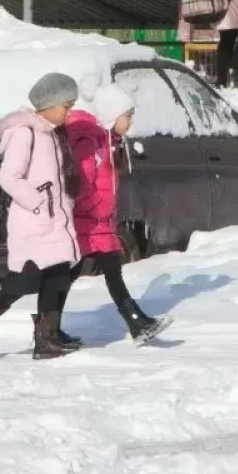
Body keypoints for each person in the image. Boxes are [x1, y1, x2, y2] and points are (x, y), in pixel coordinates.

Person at [0, 72, 84, 360]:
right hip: (34, 222)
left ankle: (47, 338)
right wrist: (40, 204)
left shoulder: (50, 135)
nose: (70, 111)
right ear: (49, 103)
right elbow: (10, 178)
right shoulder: (24, 133)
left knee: (57, 276)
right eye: (66, 105)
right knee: (24, 280)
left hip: (54, 221)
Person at [59, 84, 171, 345]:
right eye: (127, 116)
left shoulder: (108, 141)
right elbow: (83, 182)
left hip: (99, 222)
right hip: (88, 220)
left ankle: (137, 322)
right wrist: (96, 207)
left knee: (102, 270)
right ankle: (45, 324)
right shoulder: (91, 141)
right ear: (112, 115)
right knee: (71, 274)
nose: (131, 122)